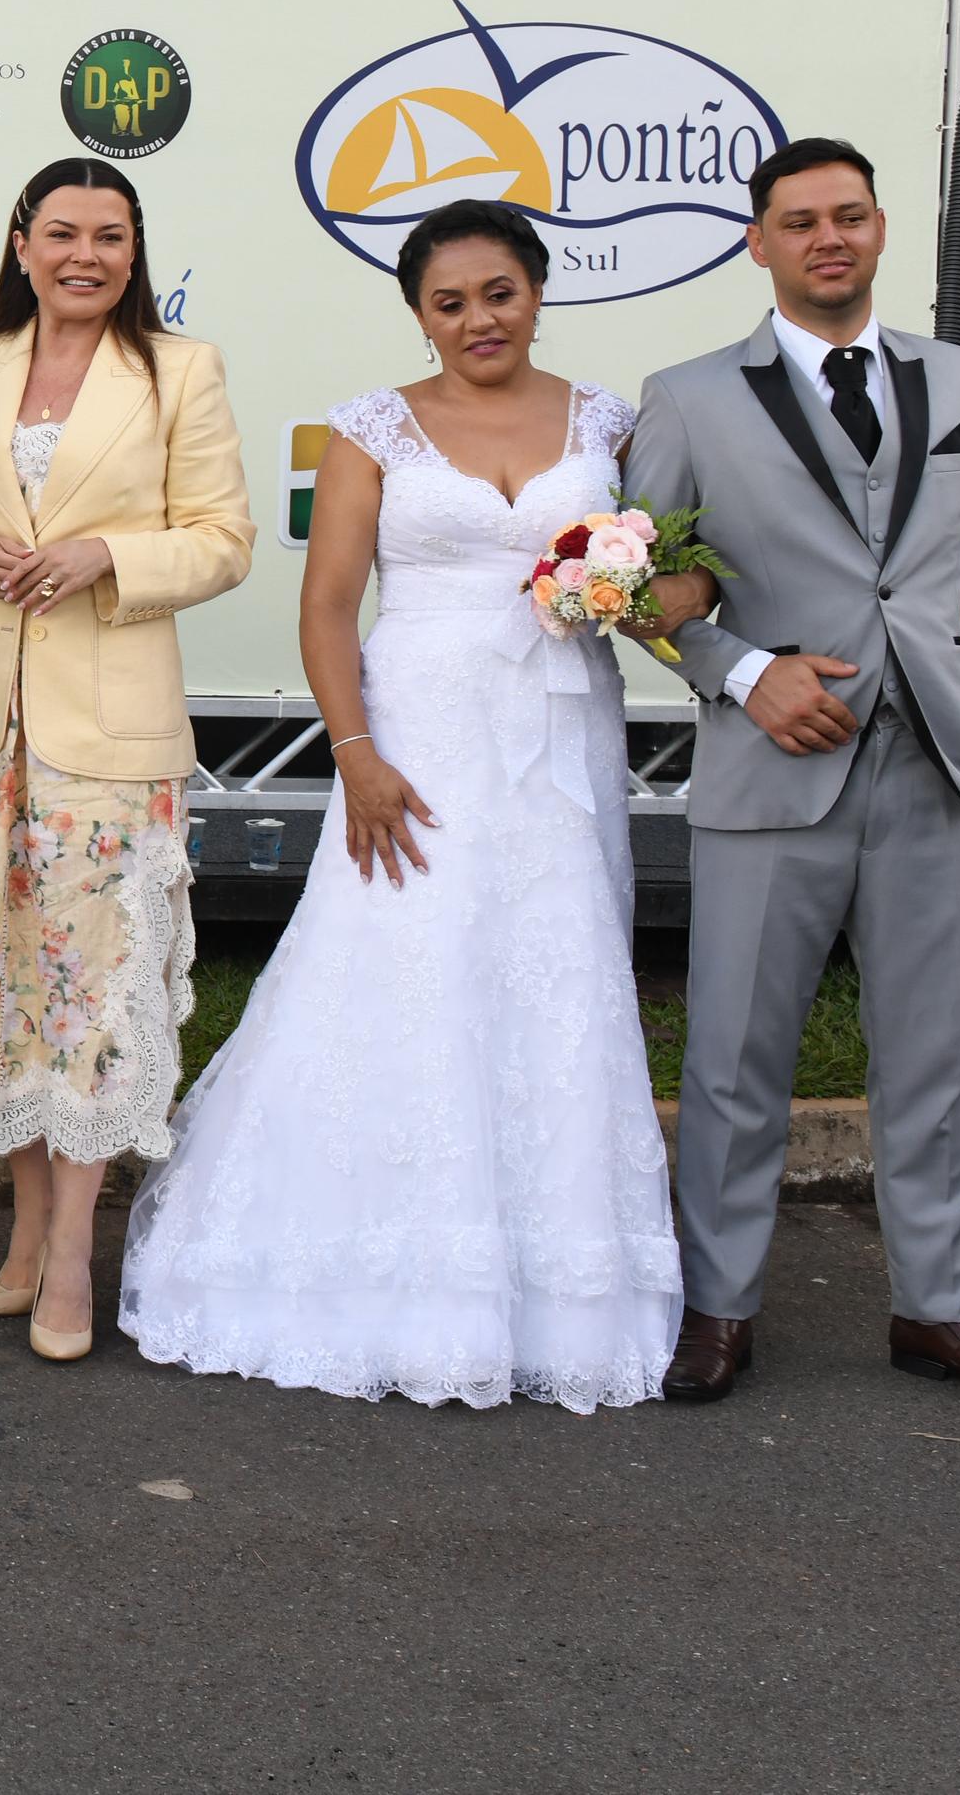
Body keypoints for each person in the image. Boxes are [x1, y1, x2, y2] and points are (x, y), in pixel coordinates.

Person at [117, 201, 681, 1410]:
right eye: (448, 301)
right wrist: (354, 752)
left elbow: (666, 578)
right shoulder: (370, 427)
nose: (477, 318)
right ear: (418, 314)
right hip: (416, 739)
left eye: (498, 292)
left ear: (536, 291)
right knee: (397, 967)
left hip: (559, 734)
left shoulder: (609, 422)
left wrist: (635, 593)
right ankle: (365, 1274)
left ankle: (552, 1293)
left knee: (555, 971)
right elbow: (327, 604)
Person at [625, 137, 960, 1414]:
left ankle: (940, 1307)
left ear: (878, 228)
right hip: (775, 767)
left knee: (932, 1060)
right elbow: (636, 589)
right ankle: (716, 1305)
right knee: (733, 1059)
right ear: (755, 242)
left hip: (937, 766)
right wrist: (740, 671)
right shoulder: (686, 396)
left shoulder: (955, 379)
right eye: (797, 220)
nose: (825, 237)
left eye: (847, 215)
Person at [0, 156, 251, 1364]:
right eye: (61, 232)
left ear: (133, 251)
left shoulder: (178, 369)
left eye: (108, 235)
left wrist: (107, 556)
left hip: (109, 736)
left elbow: (224, 539)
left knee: (88, 992)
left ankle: (75, 1253)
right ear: (20, 244)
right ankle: (28, 1222)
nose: (83, 254)